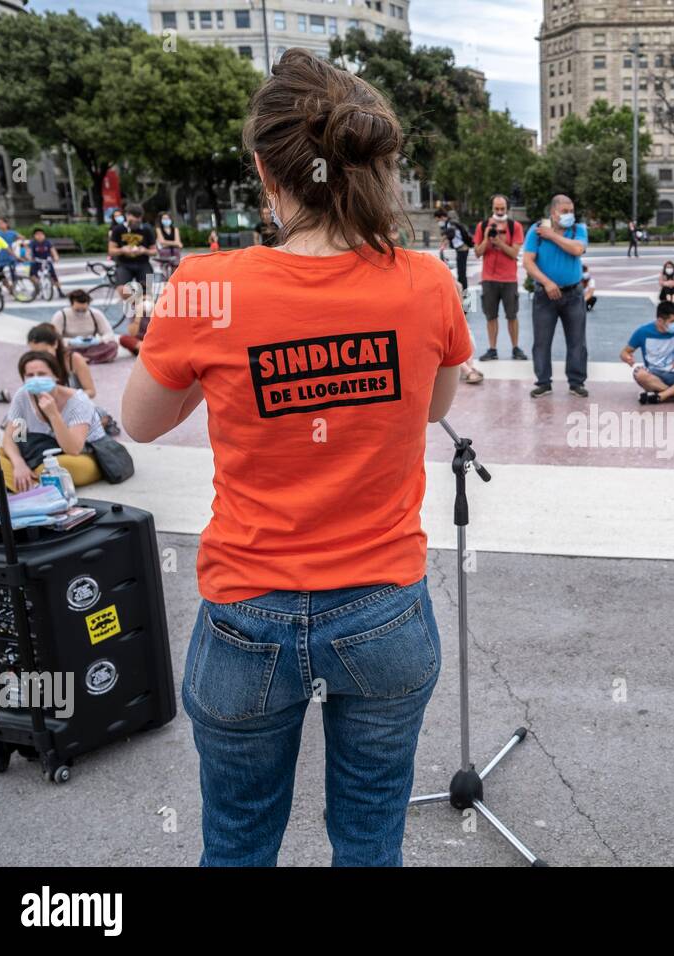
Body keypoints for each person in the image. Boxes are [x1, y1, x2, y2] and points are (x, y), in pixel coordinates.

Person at [120, 48, 467, 867]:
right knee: (371, 837)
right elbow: (432, 408)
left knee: (238, 842)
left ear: (264, 172)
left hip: (248, 609)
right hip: (384, 607)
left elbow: (139, 423)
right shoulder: (425, 283)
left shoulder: (206, 286)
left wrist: (223, 360)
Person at [0, 350, 106, 495]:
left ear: (55, 375)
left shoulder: (78, 401)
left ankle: (13, 484)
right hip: (39, 454)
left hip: (83, 457)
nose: (35, 379)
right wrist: (19, 464)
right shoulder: (23, 396)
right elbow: (15, 438)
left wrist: (54, 415)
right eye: (30, 375)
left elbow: (73, 449)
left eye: (42, 374)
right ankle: (34, 487)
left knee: (49, 468)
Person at [523, 193, 589, 398]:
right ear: (553, 213)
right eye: (565, 211)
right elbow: (528, 261)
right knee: (542, 341)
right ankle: (543, 382)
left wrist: (552, 235)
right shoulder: (536, 231)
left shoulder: (578, 229)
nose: (570, 215)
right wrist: (547, 282)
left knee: (577, 341)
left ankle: (576, 382)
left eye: (572, 211)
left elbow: (578, 249)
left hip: (573, 293)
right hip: (545, 295)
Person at [472, 194, 527, 361]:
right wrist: (488, 238)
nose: (500, 211)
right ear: (492, 208)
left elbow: (514, 253)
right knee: (491, 316)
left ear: (507, 208)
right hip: (489, 278)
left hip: (509, 279)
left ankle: (516, 348)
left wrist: (500, 243)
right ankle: (492, 349)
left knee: (512, 315)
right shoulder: (482, 226)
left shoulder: (514, 226)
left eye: (502, 208)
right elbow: (478, 253)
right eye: (496, 208)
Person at [621, 300, 674, 403]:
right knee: (639, 374)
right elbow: (625, 352)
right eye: (672, 321)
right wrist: (627, 357)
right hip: (654, 375)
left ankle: (661, 395)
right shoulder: (643, 332)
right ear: (660, 321)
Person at [108, 202, 157, 310]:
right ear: (127, 215)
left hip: (143, 263)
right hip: (124, 264)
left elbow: (154, 251)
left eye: (138, 220)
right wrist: (122, 250)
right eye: (133, 219)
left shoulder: (146, 229)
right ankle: (140, 308)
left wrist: (144, 250)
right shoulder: (118, 229)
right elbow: (111, 250)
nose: (136, 222)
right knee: (122, 290)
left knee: (148, 293)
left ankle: (144, 311)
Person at [51, 289, 118, 364]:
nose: (80, 313)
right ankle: (84, 359)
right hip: (71, 348)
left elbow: (109, 334)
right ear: (71, 304)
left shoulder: (95, 314)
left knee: (112, 346)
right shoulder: (61, 315)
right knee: (56, 350)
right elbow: (54, 338)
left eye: (83, 310)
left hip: (91, 347)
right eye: (77, 310)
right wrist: (70, 341)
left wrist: (98, 340)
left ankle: (78, 359)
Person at [435, 207, 474, 291]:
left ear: (441, 217)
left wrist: (444, 240)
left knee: (461, 272)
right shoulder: (450, 223)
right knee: (461, 271)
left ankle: (464, 291)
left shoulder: (450, 223)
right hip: (460, 249)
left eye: (438, 220)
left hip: (462, 249)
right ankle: (463, 290)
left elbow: (451, 234)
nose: (438, 222)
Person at [27, 227, 63, 295]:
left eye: (41, 234)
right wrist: (29, 257)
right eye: (37, 234)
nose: (39, 236)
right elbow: (28, 252)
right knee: (31, 276)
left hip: (47, 261)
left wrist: (56, 257)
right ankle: (37, 288)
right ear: (34, 236)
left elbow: (53, 251)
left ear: (44, 235)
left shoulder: (47, 242)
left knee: (54, 276)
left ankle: (60, 291)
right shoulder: (33, 243)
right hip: (36, 261)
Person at [156, 211, 184, 275]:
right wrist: (175, 243)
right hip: (164, 253)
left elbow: (178, 242)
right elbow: (162, 242)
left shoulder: (175, 229)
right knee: (165, 271)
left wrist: (166, 243)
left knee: (175, 270)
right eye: (164, 219)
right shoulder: (159, 229)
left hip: (175, 252)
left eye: (167, 218)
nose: (166, 220)